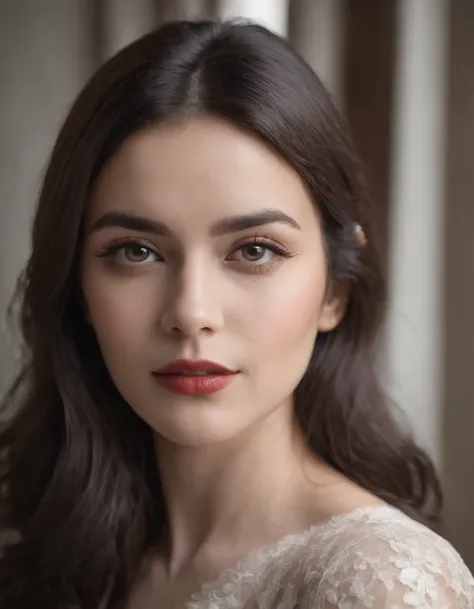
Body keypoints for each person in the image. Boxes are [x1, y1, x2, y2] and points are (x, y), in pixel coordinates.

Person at [0, 18, 472, 609]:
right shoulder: (46, 556)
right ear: (77, 286)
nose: (191, 313)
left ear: (335, 291)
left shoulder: (372, 583)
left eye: (254, 250)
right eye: (136, 251)